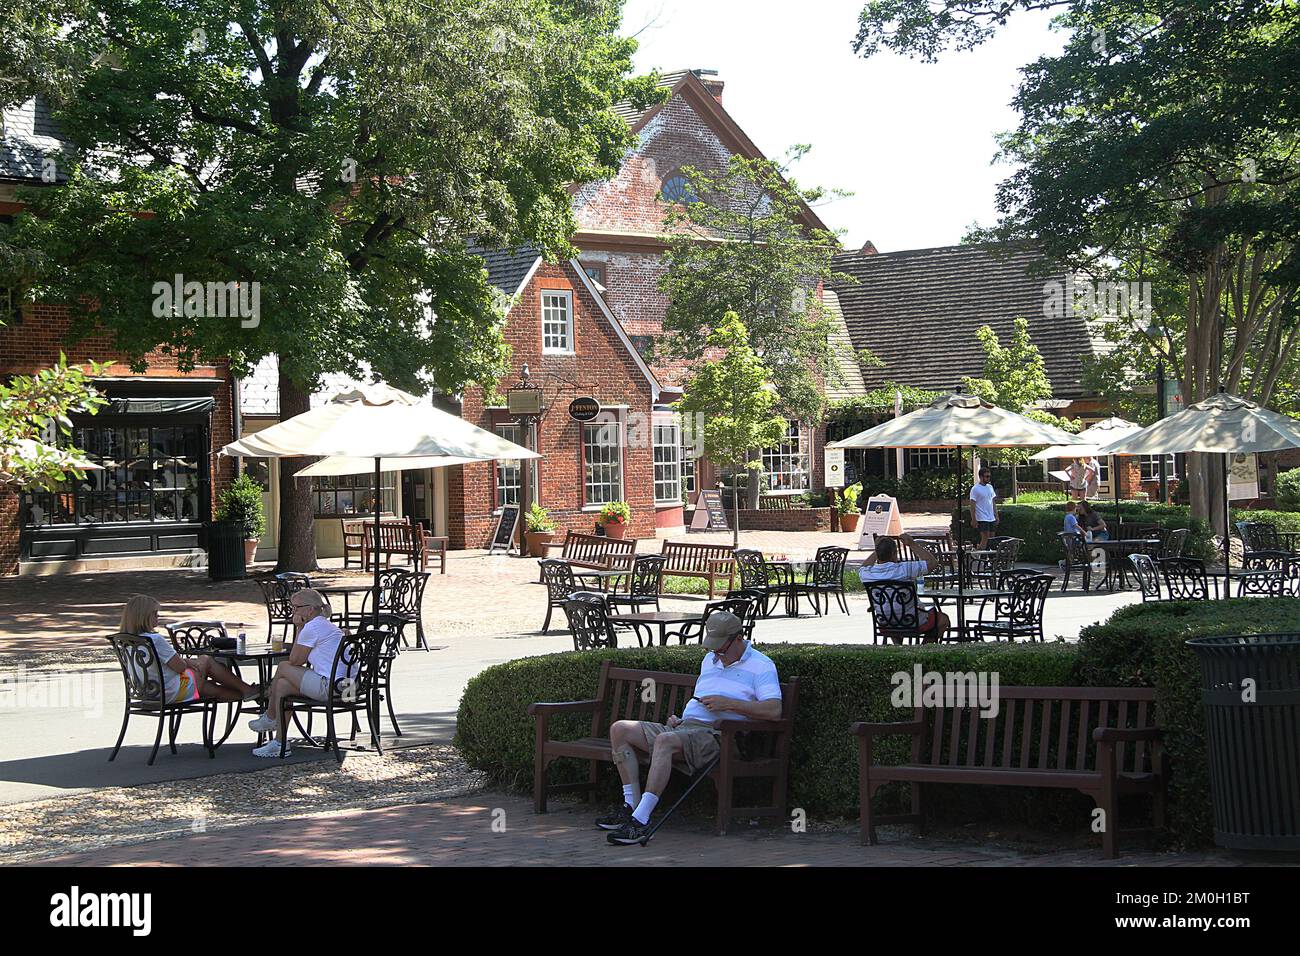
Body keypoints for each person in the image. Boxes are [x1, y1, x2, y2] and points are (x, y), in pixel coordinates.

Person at [599, 611, 782, 845]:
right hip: (684, 729)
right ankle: (630, 806)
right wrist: (680, 720)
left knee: (664, 741)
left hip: (720, 735)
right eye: (712, 648)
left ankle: (641, 820)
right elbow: (699, 700)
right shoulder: (709, 660)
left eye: (721, 649)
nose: (716, 654)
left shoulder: (762, 665)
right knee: (620, 729)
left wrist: (729, 704)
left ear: (738, 638)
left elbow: (774, 711)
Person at [248, 588, 350, 758]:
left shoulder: (312, 627)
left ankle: (270, 716)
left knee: (283, 667)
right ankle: (280, 743)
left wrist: (299, 627)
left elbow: (295, 660)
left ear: (310, 610)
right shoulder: (327, 626)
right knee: (282, 685)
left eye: (296, 607)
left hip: (331, 687)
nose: (293, 611)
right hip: (348, 688)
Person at [119, 594, 260, 705]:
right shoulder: (154, 639)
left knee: (207, 687)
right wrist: (189, 662)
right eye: (155, 614)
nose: (158, 616)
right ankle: (249, 691)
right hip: (170, 692)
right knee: (205, 660)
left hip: (150, 694)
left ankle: (255, 695)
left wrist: (187, 662)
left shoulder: (125, 641)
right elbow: (179, 667)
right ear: (143, 617)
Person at [858, 534, 952, 643]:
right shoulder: (905, 569)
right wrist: (912, 544)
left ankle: (898, 647)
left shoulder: (867, 574)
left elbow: (863, 567)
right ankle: (925, 647)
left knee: (893, 613)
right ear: (894, 554)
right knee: (943, 619)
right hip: (911, 620)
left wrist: (878, 549)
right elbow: (932, 563)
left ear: (878, 554)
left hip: (885, 621)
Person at [968, 467, 999, 549]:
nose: (989, 478)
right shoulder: (975, 489)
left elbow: (993, 502)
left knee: (992, 537)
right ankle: (979, 554)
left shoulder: (990, 487)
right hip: (982, 517)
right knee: (985, 538)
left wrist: (996, 515)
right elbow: (972, 505)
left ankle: (988, 554)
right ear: (981, 477)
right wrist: (973, 519)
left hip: (991, 517)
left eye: (989, 476)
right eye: (987, 476)